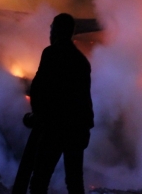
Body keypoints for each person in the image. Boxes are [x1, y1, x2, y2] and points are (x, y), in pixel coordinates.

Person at [28, 13, 94, 194]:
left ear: (57, 31)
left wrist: (37, 115)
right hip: (77, 128)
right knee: (74, 181)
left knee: (40, 179)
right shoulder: (82, 61)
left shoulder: (51, 54)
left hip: (55, 127)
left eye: (51, 29)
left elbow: (38, 88)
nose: (50, 33)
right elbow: (85, 99)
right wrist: (87, 127)